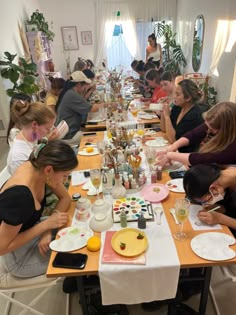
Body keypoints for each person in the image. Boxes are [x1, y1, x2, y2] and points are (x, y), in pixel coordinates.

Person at [0, 140, 78, 277]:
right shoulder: (20, 197)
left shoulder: (38, 167)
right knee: (77, 252)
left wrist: (47, 230)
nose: (65, 181)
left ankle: (77, 282)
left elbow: (65, 198)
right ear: (49, 169)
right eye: (65, 175)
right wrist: (44, 226)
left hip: (32, 231)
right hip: (19, 257)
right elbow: (2, 248)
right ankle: (81, 284)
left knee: (77, 224)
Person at [158, 101, 236, 166]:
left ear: (224, 130)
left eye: (211, 129)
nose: (207, 129)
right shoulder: (213, 125)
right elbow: (193, 134)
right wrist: (174, 146)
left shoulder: (232, 147)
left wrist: (171, 155)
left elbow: (204, 159)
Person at [183, 164, 236, 237]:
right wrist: (222, 209)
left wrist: (220, 218)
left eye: (205, 201)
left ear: (214, 188)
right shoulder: (216, 175)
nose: (206, 204)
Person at [7, 101, 58, 175]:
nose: (49, 132)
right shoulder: (19, 156)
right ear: (34, 125)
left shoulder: (32, 138)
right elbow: (32, 184)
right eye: (47, 128)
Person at [56, 71, 103, 143]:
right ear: (79, 84)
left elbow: (84, 103)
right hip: (69, 136)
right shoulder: (72, 95)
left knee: (97, 132)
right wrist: (109, 105)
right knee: (98, 137)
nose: (86, 87)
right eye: (85, 85)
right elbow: (92, 108)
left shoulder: (70, 92)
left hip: (71, 132)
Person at [160, 79, 203, 150]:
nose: (174, 96)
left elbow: (173, 140)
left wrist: (167, 117)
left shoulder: (194, 115)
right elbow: (164, 129)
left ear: (188, 98)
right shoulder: (178, 107)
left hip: (185, 154)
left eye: (178, 94)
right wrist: (163, 111)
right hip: (172, 148)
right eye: (175, 93)